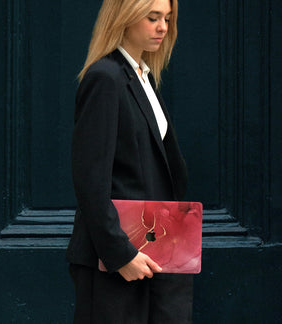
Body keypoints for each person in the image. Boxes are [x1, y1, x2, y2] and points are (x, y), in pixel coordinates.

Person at [66, 0, 193, 322]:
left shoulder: (144, 77)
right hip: (118, 257)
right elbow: (90, 178)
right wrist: (120, 254)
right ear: (125, 17)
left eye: (167, 18)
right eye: (152, 18)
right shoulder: (105, 78)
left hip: (159, 249)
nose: (163, 27)